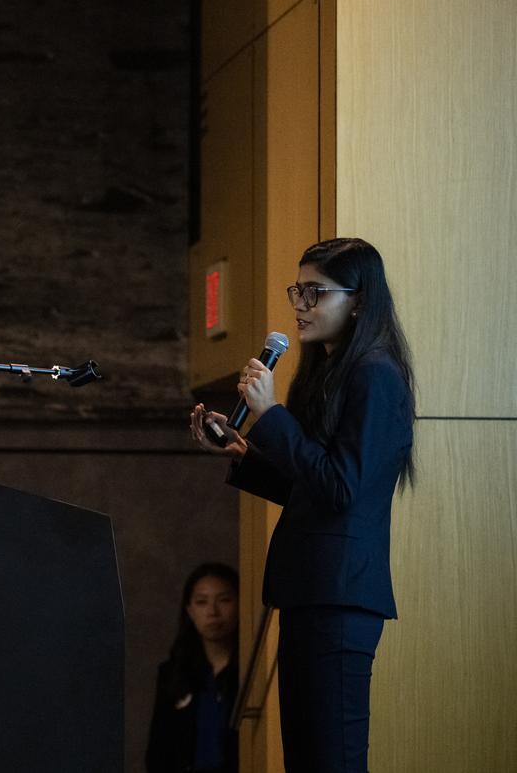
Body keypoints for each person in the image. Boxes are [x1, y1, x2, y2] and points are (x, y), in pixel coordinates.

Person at [188, 237, 415, 773]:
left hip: (341, 597)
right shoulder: (329, 373)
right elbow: (310, 486)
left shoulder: (376, 374)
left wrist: (271, 416)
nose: (299, 305)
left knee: (333, 760)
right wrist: (244, 449)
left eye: (316, 293)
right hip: (311, 591)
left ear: (358, 300)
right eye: (298, 290)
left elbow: (343, 489)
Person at [146, 562, 239, 773]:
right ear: (190, 610)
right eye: (202, 602)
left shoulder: (250, 672)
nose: (213, 612)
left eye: (224, 600)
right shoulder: (174, 673)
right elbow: (158, 751)